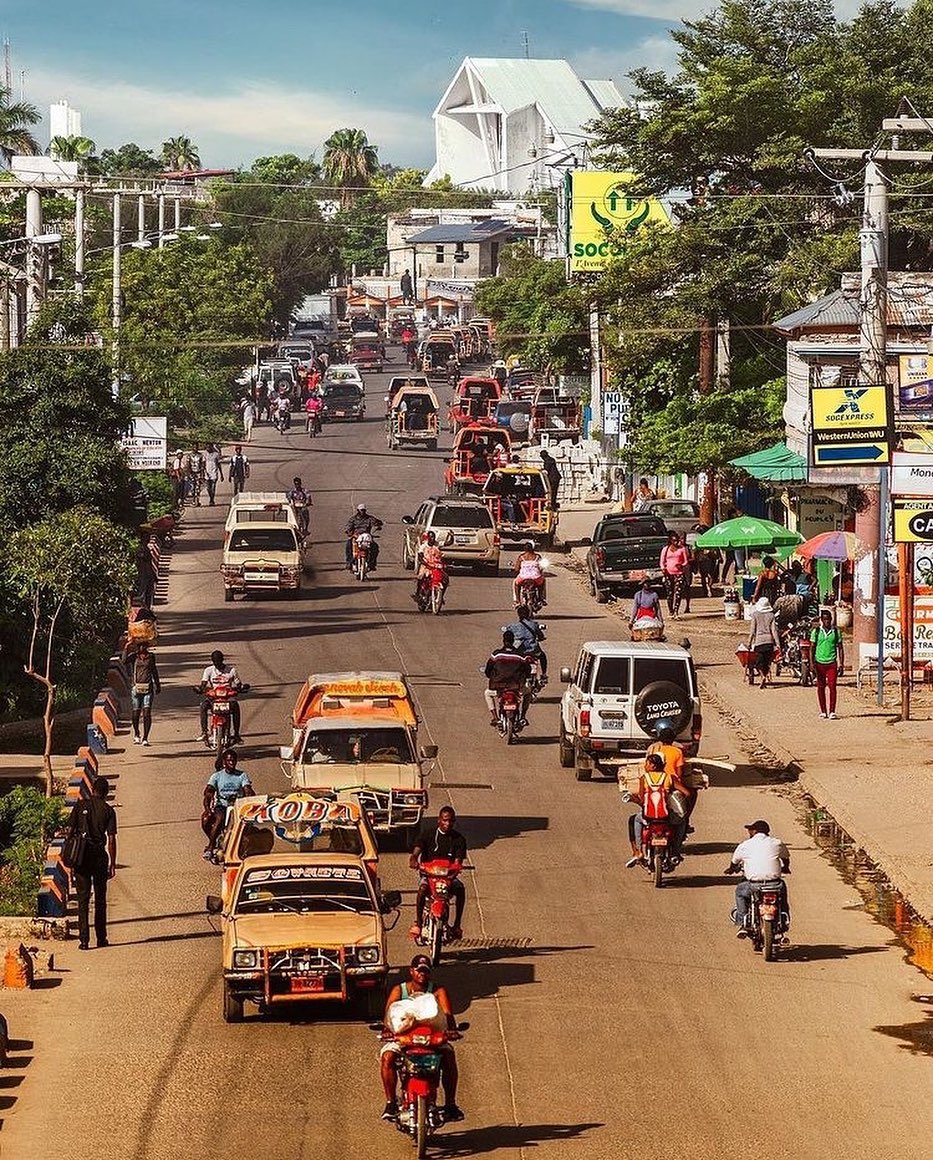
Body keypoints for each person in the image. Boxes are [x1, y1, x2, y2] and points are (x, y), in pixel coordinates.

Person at [379, 954, 463, 1123]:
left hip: (432, 1039)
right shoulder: (399, 990)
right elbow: (389, 1016)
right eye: (418, 970)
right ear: (411, 971)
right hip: (403, 1038)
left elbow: (447, 1015)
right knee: (387, 1057)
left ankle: (450, 1104)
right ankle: (390, 1103)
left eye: (425, 971)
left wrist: (452, 1031)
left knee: (448, 1056)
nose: (422, 974)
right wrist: (387, 1031)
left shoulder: (438, 991)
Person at [67, 777, 117, 950]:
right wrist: (112, 863)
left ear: (92, 789)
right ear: (106, 792)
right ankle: (101, 938)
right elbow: (111, 839)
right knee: (100, 899)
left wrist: (70, 859)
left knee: (83, 899)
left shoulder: (80, 806)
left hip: (81, 857)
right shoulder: (109, 810)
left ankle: (84, 940)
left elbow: (70, 831)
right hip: (99, 857)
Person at [408, 806, 467, 939]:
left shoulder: (459, 839)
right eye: (445, 820)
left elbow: (458, 861)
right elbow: (417, 849)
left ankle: (457, 925)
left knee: (460, 889)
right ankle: (419, 923)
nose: (448, 823)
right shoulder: (427, 834)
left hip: (448, 877)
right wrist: (413, 858)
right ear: (439, 820)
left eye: (451, 821)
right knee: (422, 889)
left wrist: (456, 869)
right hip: (429, 875)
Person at [726, 819, 790, 936]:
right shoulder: (777, 843)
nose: (749, 832)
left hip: (754, 885)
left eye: (750, 830)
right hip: (775, 884)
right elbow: (786, 858)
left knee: (740, 892)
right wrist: (785, 867)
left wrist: (731, 869)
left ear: (755, 831)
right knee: (783, 897)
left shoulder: (745, 845)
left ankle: (742, 923)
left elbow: (734, 861)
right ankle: (784, 920)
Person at [625, 753, 689, 867]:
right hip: (666, 816)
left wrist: (635, 800)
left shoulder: (644, 778)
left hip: (648, 816)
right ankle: (675, 851)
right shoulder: (669, 777)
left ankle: (638, 851)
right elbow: (687, 793)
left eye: (647, 763)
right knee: (682, 822)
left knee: (634, 820)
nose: (645, 766)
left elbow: (642, 799)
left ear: (653, 766)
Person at [201, 748, 253, 860]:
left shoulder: (242, 775)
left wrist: (248, 792)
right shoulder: (217, 776)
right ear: (224, 762)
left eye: (233, 760)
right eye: (229, 761)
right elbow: (208, 792)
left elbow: (247, 789)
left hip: (237, 805)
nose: (231, 763)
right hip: (222, 805)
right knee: (216, 819)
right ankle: (211, 846)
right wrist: (207, 808)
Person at [484, 630, 532, 727]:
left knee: (487, 693)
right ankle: (523, 716)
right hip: (516, 687)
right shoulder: (520, 655)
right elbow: (528, 670)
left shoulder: (496, 655)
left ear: (503, 641)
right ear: (513, 640)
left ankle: (495, 717)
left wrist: (491, 677)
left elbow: (488, 669)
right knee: (528, 693)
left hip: (499, 687)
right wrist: (525, 677)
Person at [196, 650, 244, 744]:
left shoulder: (231, 671)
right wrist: (200, 689)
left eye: (219, 661)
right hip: (214, 697)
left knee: (235, 707)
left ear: (222, 660)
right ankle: (204, 732)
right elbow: (204, 683)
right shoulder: (208, 670)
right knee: (203, 706)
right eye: (215, 662)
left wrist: (240, 688)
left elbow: (238, 684)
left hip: (228, 698)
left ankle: (237, 734)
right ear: (213, 662)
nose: (217, 664)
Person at [811, 608, 844, 719]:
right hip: (819, 663)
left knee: (832, 686)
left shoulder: (836, 631)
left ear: (831, 619)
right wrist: (812, 664)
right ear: (821, 620)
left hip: (832, 663)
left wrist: (841, 663)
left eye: (828, 619)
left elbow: (840, 648)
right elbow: (812, 648)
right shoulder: (816, 632)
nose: (827, 622)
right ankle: (823, 711)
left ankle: (832, 711)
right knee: (821, 687)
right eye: (824, 619)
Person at [129, 641, 161, 746]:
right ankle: (137, 733)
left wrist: (158, 684)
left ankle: (145, 737)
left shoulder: (151, 657)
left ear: (147, 646)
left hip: (148, 688)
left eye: (143, 645)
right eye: (139, 645)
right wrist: (126, 647)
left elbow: (154, 670)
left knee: (147, 713)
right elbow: (124, 660)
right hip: (136, 688)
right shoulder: (134, 657)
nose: (141, 647)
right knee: (136, 714)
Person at [506, 604, 548, 679]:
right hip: (533, 650)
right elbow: (540, 635)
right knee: (542, 656)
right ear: (528, 614)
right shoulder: (534, 624)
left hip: (520, 651)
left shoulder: (513, 627)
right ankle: (544, 674)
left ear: (518, 614)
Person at [746, 596, 780, 688]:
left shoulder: (755, 615)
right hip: (769, 642)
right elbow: (774, 631)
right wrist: (778, 644)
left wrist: (749, 643)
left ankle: (762, 676)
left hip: (759, 642)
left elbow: (752, 631)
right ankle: (764, 677)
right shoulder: (771, 616)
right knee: (767, 663)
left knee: (758, 663)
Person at [345, 504, 383, 570]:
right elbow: (348, 528)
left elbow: (378, 522)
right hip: (356, 537)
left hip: (366, 537)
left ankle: (371, 564)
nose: (363, 512)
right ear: (358, 510)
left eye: (364, 510)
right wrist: (352, 534)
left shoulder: (370, 518)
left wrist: (378, 524)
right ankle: (349, 562)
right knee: (348, 545)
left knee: (375, 547)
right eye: (361, 510)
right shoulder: (353, 519)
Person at [660, 531, 689, 618]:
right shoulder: (666, 549)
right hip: (669, 574)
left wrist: (681, 565)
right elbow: (662, 561)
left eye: (677, 540)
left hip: (679, 574)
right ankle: (671, 610)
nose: (676, 542)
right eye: (674, 541)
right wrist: (663, 569)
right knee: (670, 593)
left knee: (678, 593)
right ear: (671, 541)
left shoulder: (682, 549)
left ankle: (676, 610)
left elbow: (685, 561)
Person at [413, 531, 448, 602]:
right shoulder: (423, 546)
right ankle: (418, 593)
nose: (433, 538)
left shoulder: (437, 544)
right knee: (421, 577)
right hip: (426, 566)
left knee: (445, 579)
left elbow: (448, 543)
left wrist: (451, 536)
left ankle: (440, 596)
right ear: (428, 538)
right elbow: (420, 556)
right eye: (431, 537)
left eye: (434, 537)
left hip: (436, 566)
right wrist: (425, 563)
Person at [513, 541, 546, 607]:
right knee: (543, 581)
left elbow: (516, 569)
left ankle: (517, 601)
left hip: (523, 578)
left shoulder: (521, 557)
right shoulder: (537, 556)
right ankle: (540, 598)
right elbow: (541, 567)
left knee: (515, 583)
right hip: (536, 577)